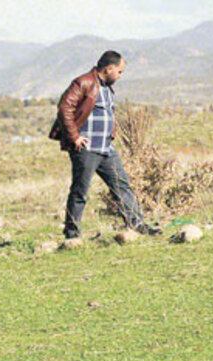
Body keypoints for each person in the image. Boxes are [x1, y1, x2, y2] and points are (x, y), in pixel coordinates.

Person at [50, 50, 161, 240]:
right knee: (80, 191)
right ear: (109, 68)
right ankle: (72, 234)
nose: (120, 75)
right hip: (86, 149)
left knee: (121, 186)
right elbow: (65, 108)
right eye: (119, 71)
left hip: (106, 148)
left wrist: (112, 132)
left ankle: (137, 225)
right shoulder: (83, 82)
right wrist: (75, 136)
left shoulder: (108, 88)